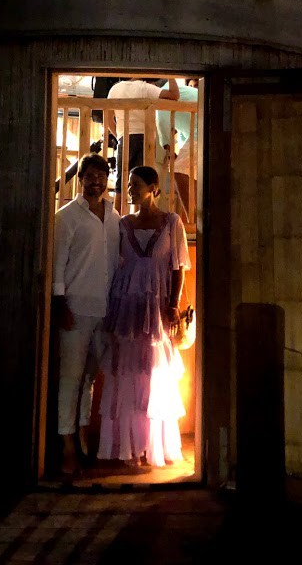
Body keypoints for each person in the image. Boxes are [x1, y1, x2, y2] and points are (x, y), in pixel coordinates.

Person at [97, 165, 191, 467]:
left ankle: (151, 446)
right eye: (128, 184)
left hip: (157, 307)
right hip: (126, 306)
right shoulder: (123, 224)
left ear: (153, 187)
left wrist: (173, 305)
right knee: (127, 373)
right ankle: (129, 447)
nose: (130, 189)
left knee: (153, 374)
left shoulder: (171, 222)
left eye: (136, 184)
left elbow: (178, 267)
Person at [52, 152, 121, 476]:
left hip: (105, 310)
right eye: (89, 176)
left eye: (101, 177)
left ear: (107, 181)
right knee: (70, 379)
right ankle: (66, 446)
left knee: (89, 379)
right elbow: (57, 265)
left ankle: (81, 435)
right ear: (80, 179)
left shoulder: (114, 216)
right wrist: (59, 304)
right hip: (75, 309)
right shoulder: (66, 217)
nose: (96, 182)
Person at [107, 77, 179, 213]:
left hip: (124, 138)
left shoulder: (115, 89)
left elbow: (109, 119)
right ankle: (137, 216)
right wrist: (171, 75)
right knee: (142, 183)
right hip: (145, 139)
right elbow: (174, 95)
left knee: (120, 183)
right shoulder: (145, 88)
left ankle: (116, 218)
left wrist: (120, 136)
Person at [156, 78, 198, 220]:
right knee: (194, 176)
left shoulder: (163, 96)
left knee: (178, 170)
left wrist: (169, 151)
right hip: (202, 128)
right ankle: (199, 219)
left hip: (200, 130)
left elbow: (163, 125)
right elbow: (179, 131)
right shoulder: (182, 91)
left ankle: (192, 220)